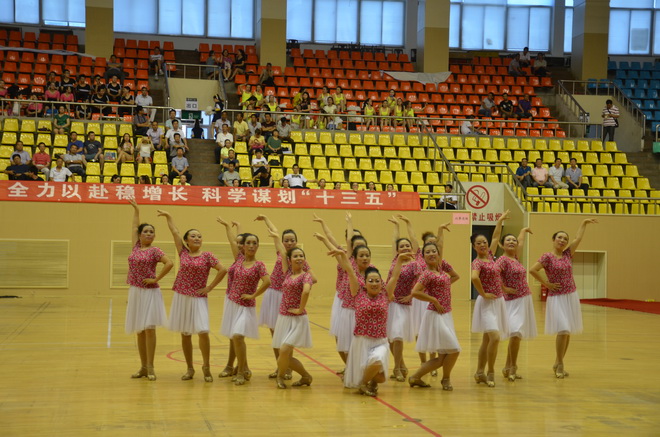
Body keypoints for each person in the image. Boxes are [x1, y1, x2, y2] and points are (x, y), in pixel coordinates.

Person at [157, 210, 226, 382]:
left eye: (199, 236)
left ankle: (206, 366)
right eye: (193, 236)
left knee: (203, 331)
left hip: (198, 297)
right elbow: (175, 232)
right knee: (186, 333)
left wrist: (210, 287)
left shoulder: (208, 255)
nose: (197, 238)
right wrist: (169, 216)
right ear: (186, 240)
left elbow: (223, 270)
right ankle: (189, 368)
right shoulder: (183, 253)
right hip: (182, 297)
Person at [529, 219, 598, 379]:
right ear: (553, 240)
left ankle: (558, 362)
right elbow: (533, 270)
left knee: (567, 332)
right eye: (559, 237)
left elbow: (578, 238)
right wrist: (546, 283)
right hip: (557, 298)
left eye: (565, 239)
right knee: (563, 329)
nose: (562, 240)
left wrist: (584, 223)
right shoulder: (547, 257)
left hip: (571, 296)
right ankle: (559, 363)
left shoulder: (567, 254)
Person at [331, 249, 401, 397]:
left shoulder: (385, 294)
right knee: (376, 375)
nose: (374, 283)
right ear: (365, 283)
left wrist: (400, 260)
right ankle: (369, 382)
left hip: (380, 340)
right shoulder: (358, 293)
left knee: (380, 369)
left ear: (381, 283)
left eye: (377, 280)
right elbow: (350, 272)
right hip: (361, 340)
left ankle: (363, 384)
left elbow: (395, 276)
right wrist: (342, 255)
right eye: (371, 281)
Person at [255, 216, 313, 382]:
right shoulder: (283, 255)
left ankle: (287, 368)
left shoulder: (301, 261)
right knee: (276, 334)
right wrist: (266, 219)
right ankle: (280, 366)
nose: (289, 243)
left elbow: (312, 279)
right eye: (286, 240)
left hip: (287, 295)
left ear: (296, 242)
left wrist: (303, 282)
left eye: (292, 240)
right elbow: (275, 233)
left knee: (287, 337)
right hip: (273, 293)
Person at [216, 218, 271, 386]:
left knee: (238, 336)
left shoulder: (259, 265)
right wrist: (227, 226)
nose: (252, 246)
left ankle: (240, 371)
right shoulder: (239, 259)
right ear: (244, 246)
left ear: (258, 246)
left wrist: (253, 295)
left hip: (246, 307)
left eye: (255, 243)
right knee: (235, 338)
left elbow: (267, 282)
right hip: (232, 304)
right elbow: (233, 241)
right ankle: (244, 369)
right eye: (249, 243)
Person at [125, 199, 173, 382]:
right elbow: (134, 226)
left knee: (149, 330)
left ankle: (151, 366)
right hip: (135, 291)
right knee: (139, 330)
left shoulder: (155, 251)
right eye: (145, 231)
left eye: (151, 232)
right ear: (139, 235)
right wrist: (136, 210)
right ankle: (143, 366)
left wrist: (156, 279)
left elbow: (169, 263)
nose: (148, 234)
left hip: (150, 292)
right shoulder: (135, 247)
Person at [408, 235, 461, 391]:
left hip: (446, 315)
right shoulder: (426, 274)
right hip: (435, 315)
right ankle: (445, 379)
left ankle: (416, 377)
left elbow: (454, 277)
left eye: (434, 251)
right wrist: (434, 300)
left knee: (443, 356)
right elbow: (415, 292)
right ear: (423, 257)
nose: (431, 254)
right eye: (428, 252)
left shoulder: (441, 272)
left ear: (438, 254)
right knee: (454, 350)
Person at [471, 211, 510, 388]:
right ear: (474, 247)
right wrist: (483, 293)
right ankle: (491, 371)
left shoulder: (490, 255)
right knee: (495, 337)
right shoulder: (477, 262)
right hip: (486, 303)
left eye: (484, 242)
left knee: (487, 340)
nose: (483, 245)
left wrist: (499, 221)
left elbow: (495, 236)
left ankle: (479, 372)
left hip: (498, 302)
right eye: (478, 243)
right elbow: (474, 277)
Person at [496, 227, 537, 382]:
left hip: (523, 299)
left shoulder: (516, 258)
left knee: (516, 335)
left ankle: (509, 367)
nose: (512, 242)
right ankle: (512, 366)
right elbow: (494, 275)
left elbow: (521, 242)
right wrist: (504, 288)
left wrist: (524, 231)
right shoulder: (502, 260)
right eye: (508, 240)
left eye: (514, 240)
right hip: (510, 301)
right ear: (502, 244)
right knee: (515, 332)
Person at [384, 216, 422, 383]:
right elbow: (394, 240)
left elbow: (422, 283)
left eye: (407, 245)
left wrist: (412, 295)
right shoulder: (396, 259)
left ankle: (397, 368)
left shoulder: (415, 264)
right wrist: (397, 225)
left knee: (398, 335)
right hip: (388, 302)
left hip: (403, 304)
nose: (405, 248)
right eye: (402, 246)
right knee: (390, 338)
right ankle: (402, 364)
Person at [272, 244, 314, 389]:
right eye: (295, 256)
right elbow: (282, 251)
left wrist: (300, 309)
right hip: (284, 317)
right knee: (285, 355)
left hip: (298, 319)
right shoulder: (288, 273)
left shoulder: (306, 276)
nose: (299, 258)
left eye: (301, 256)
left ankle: (280, 377)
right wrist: (275, 237)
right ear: (289, 260)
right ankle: (306, 376)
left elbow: (306, 291)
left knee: (284, 350)